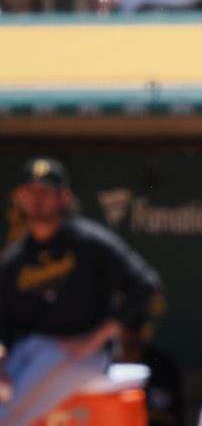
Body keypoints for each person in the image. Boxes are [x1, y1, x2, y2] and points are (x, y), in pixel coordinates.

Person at [0, 157, 161, 426]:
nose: (37, 199)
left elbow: (145, 284)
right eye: (31, 191)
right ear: (19, 197)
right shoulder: (15, 259)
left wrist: (97, 337)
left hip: (81, 353)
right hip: (31, 350)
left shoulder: (90, 242)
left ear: (64, 198)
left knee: (7, 415)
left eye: (45, 192)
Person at [119, 319, 184, 426]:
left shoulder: (160, 365)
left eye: (123, 331)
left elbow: (166, 418)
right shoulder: (106, 361)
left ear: (135, 332)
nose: (119, 337)